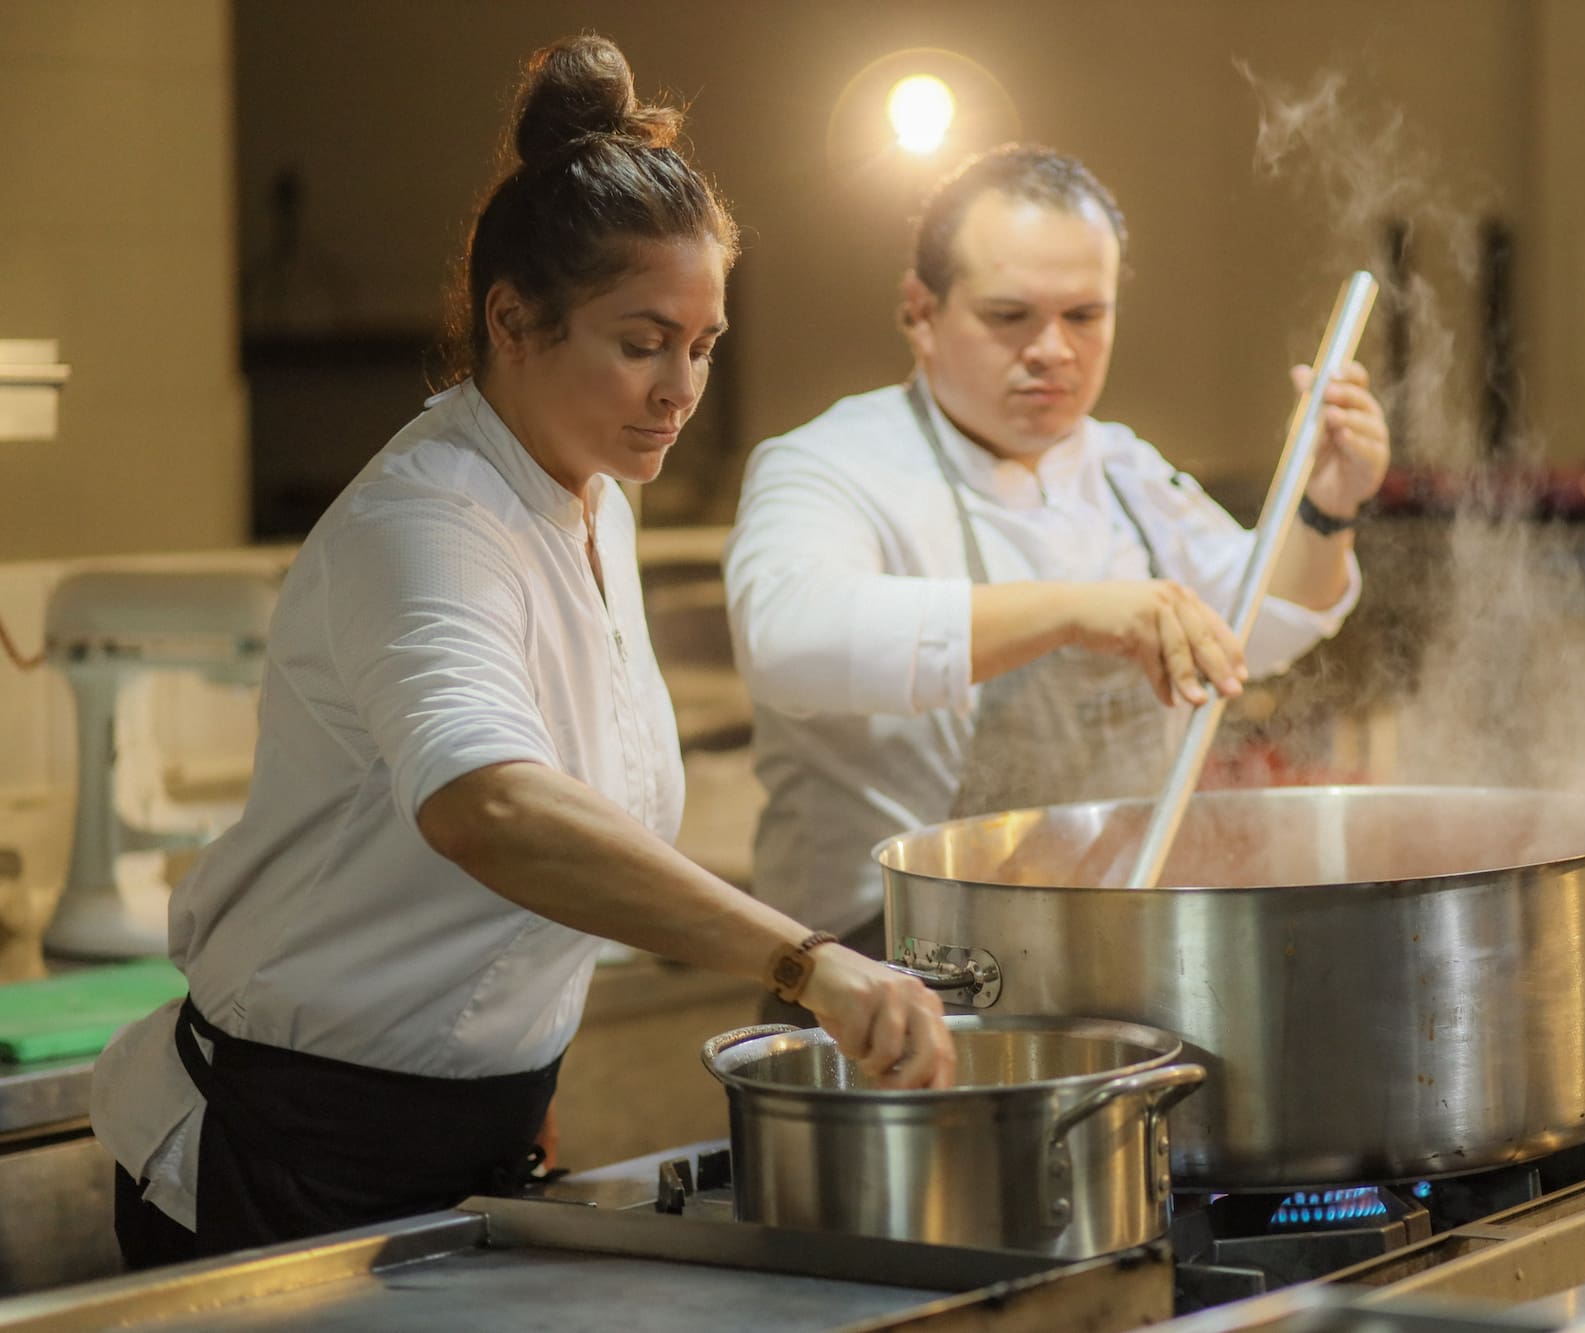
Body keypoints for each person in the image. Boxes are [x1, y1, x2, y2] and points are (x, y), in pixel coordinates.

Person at [92, 34, 952, 1271]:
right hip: (290, 1153)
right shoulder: (424, 522)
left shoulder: (596, 491)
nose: (679, 388)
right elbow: (487, 805)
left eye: (703, 346)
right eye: (642, 340)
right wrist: (803, 958)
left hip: (473, 1134)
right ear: (512, 318)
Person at [724, 144, 1390, 977]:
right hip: (886, 957)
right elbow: (788, 640)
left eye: (1085, 315)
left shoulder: (1123, 469)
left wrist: (1326, 506)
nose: (1053, 349)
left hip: (1116, 941)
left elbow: (1259, 625)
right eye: (1010, 316)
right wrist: (1078, 609)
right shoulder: (829, 465)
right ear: (920, 311)